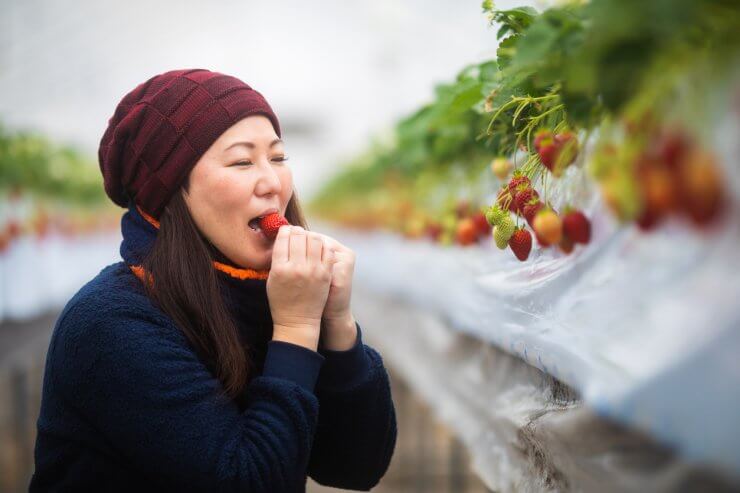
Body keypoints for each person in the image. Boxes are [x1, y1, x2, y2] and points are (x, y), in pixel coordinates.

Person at [29, 68, 397, 492]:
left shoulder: (250, 293)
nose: (272, 183)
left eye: (278, 158)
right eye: (242, 161)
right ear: (168, 190)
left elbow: (356, 467)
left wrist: (338, 325)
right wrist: (295, 328)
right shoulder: (111, 324)